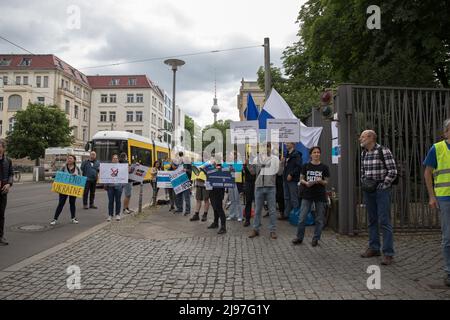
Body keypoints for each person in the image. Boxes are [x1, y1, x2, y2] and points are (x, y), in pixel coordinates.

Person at [359, 130, 397, 265]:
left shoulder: (383, 150)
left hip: (382, 190)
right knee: (372, 220)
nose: (360, 139)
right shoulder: (364, 153)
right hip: (368, 191)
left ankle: (388, 253)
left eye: (363, 136)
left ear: (371, 137)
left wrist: (384, 185)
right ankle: (374, 248)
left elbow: (393, 170)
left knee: (384, 221)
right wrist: (364, 182)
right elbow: (363, 171)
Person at [424, 119, 450, 287]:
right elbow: (427, 173)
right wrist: (432, 196)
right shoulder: (437, 148)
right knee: (448, 237)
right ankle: (449, 272)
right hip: (444, 198)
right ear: (446, 132)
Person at [292, 146, 330, 247]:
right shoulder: (305, 166)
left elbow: (326, 182)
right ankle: (299, 237)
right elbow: (301, 179)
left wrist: (321, 181)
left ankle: (316, 238)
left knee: (319, 219)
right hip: (307, 194)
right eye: (314, 152)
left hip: (320, 195)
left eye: (318, 152)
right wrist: (306, 183)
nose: (316, 154)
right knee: (302, 217)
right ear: (311, 155)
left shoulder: (324, 167)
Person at [248, 143, 282, 239]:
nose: (265, 149)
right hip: (258, 186)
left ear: (270, 148)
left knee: (272, 210)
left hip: (271, 186)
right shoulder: (256, 159)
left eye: (267, 147)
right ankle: (256, 229)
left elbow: (280, 173)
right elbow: (253, 172)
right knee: (258, 210)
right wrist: (248, 165)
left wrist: (282, 164)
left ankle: (273, 231)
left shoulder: (275, 159)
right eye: (263, 147)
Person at [50, 154, 81, 225]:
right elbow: (59, 175)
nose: (69, 160)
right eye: (68, 158)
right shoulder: (63, 167)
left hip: (73, 189)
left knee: (72, 203)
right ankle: (55, 219)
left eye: (71, 158)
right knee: (61, 203)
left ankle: (73, 218)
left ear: (74, 160)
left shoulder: (77, 168)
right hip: (64, 189)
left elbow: (81, 177)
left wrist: (77, 176)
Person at [280, 142, 302, 220]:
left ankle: (296, 216)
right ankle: (287, 214)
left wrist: (291, 174)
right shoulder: (286, 154)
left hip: (292, 179)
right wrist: (283, 162)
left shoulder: (297, 154)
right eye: (286, 143)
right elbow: (285, 167)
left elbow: (298, 167)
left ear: (293, 144)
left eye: (288, 143)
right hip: (285, 179)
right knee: (286, 197)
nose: (286, 144)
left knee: (294, 197)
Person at [0, 139, 13, 246]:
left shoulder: (8, 160)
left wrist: (9, 184)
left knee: (1, 215)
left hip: (3, 191)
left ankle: (1, 236)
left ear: (3, 148)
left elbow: (11, 174)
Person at [207, 162, 227, 234]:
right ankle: (215, 223)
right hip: (212, 191)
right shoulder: (211, 168)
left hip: (218, 191)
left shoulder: (221, 169)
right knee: (215, 208)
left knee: (219, 208)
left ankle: (223, 227)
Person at [104, 154, 124, 221]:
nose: (115, 159)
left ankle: (117, 214)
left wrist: (122, 184)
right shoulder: (108, 167)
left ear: (118, 159)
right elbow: (105, 175)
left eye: (116, 158)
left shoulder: (122, 167)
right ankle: (110, 215)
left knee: (118, 201)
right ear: (112, 160)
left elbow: (125, 175)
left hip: (118, 186)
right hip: (110, 186)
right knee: (110, 201)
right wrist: (105, 184)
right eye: (114, 158)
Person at [226, 155, 243, 222]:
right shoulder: (230, 163)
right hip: (231, 182)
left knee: (237, 200)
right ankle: (232, 214)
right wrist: (229, 170)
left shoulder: (239, 162)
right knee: (232, 199)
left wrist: (234, 169)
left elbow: (240, 170)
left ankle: (240, 216)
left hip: (237, 183)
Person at [243, 153, 256, 227]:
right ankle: (247, 219)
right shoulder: (246, 163)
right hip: (248, 183)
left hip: (255, 182)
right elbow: (244, 173)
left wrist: (248, 165)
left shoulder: (255, 163)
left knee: (257, 202)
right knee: (248, 201)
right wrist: (244, 166)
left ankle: (257, 220)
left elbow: (253, 173)